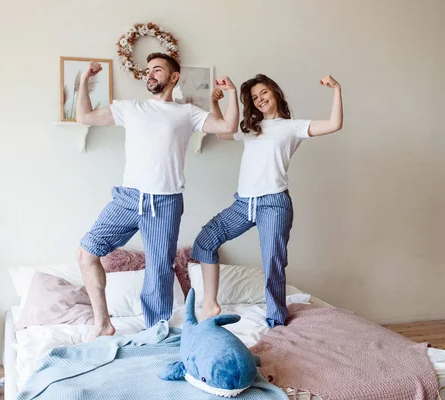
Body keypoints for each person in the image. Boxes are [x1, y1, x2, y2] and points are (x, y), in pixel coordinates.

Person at [76, 52, 240, 339]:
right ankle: (102, 323)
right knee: (87, 252)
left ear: (174, 77)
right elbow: (84, 117)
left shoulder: (186, 113)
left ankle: (156, 332)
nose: (150, 74)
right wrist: (84, 81)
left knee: (159, 271)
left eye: (158, 69)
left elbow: (228, 127)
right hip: (128, 198)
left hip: (165, 202)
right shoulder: (131, 108)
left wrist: (232, 94)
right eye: (148, 70)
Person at [191, 73, 343, 327]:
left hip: (273, 204)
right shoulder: (250, 128)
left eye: (263, 93)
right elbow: (222, 131)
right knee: (205, 241)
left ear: (274, 93)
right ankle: (210, 303)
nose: (260, 99)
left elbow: (334, 124)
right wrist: (219, 100)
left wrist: (337, 89)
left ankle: (276, 321)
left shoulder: (292, 127)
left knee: (272, 263)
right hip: (243, 204)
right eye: (254, 97)